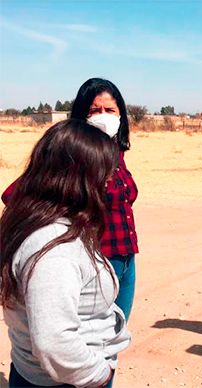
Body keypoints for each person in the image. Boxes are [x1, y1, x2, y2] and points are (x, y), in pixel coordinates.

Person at [0, 119, 131, 387]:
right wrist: (98, 373)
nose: (108, 182)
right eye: (104, 174)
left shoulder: (39, 222)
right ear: (78, 179)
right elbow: (54, 343)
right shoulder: (55, 251)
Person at [2, 77, 139, 321]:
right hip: (94, 261)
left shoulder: (117, 153)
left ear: (121, 115)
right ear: (81, 116)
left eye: (110, 110)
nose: (103, 116)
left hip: (125, 258)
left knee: (115, 334)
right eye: (95, 110)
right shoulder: (71, 151)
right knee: (91, 337)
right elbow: (15, 195)